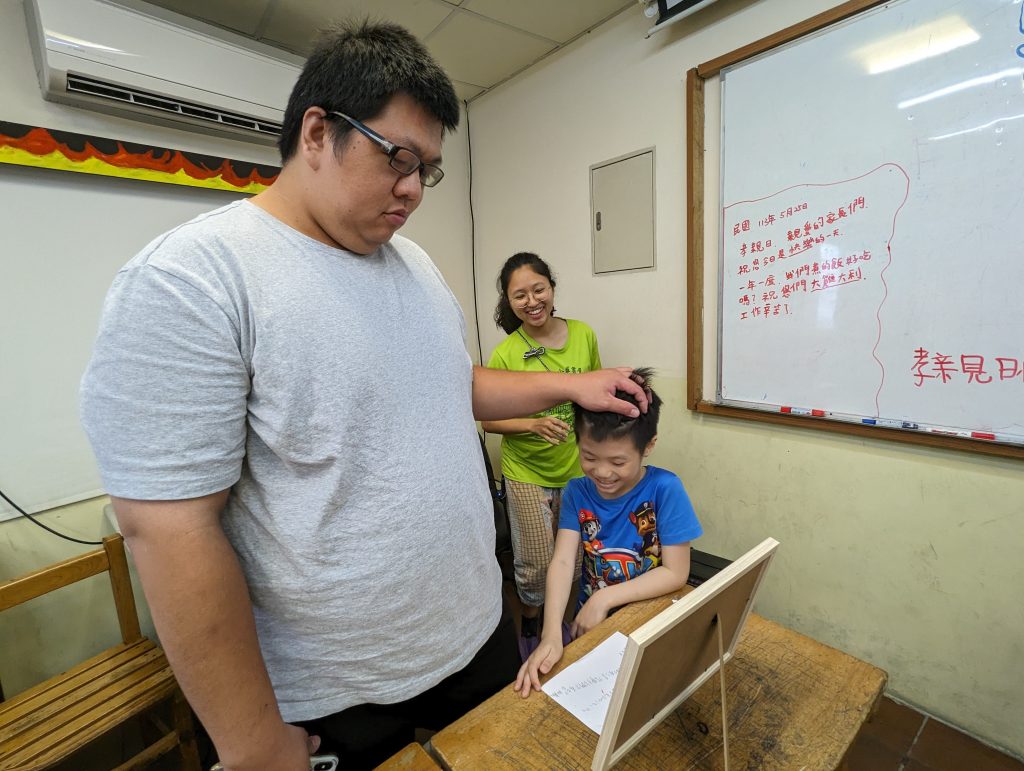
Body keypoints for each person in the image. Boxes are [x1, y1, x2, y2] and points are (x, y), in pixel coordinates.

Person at [79, 21, 648, 771]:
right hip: (335, 693)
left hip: (474, 637)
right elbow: (169, 530)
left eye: (429, 169)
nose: (413, 187)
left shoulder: (412, 263)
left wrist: (572, 381)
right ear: (318, 131)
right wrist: (253, 745)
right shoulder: (195, 279)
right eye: (399, 158)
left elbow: (452, 381)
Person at [513, 369, 702, 698]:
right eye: (588, 457)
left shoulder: (665, 489)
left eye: (617, 461)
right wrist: (551, 633)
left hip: (649, 616)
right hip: (591, 623)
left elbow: (676, 572)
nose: (602, 472)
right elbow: (560, 562)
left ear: (648, 446)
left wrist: (604, 597)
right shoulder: (577, 491)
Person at [481, 253, 601, 654]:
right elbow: (490, 423)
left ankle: (563, 625)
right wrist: (532, 424)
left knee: (577, 558)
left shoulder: (583, 335)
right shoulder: (506, 354)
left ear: (552, 288)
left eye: (538, 289)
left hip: (576, 471)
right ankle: (531, 624)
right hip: (526, 472)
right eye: (520, 295)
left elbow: (593, 399)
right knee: (535, 565)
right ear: (508, 301)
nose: (531, 301)